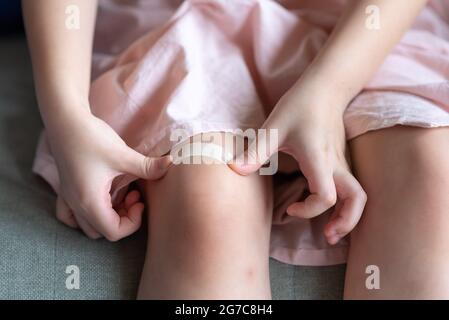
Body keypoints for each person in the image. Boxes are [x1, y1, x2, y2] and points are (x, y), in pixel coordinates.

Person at [23, 0, 449, 299]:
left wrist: (328, 91)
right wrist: (68, 119)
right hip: (188, 23)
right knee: (208, 208)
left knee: (431, 184)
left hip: (371, 25)